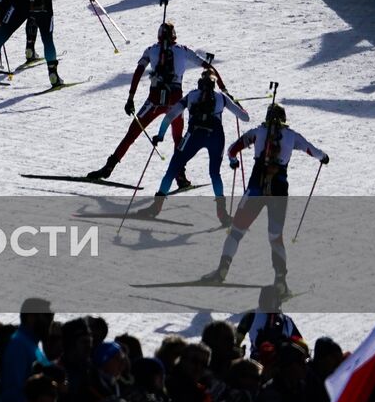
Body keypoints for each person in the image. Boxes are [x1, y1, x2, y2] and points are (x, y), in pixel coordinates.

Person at [203, 103, 328, 297]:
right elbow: (314, 151)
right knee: (275, 237)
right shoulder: (292, 136)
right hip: (278, 189)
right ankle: (280, 282)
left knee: (236, 231)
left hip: (255, 187)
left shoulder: (258, 132)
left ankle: (222, 270)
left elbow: (233, 149)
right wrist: (324, 157)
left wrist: (233, 162)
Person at [88, 21, 222, 180]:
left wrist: (131, 97)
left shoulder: (151, 50)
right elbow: (209, 68)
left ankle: (109, 167)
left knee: (132, 133)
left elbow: (138, 72)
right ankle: (180, 176)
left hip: (154, 100)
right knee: (178, 139)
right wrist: (223, 88)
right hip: (175, 101)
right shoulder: (183, 50)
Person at [135, 69, 249, 224]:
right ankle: (222, 214)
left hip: (193, 135)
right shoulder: (221, 98)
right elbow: (245, 117)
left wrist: (160, 135)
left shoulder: (192, 96)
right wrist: (237, 104)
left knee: (173, 168)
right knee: (215, 174)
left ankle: (156, 206)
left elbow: (170, 116)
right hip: (215, 136)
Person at [0, 300, 54, 402]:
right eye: (47, 316)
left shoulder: (33, 346)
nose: (51, 321)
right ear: (31, 317)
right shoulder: (18, 345)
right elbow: (13, 393)